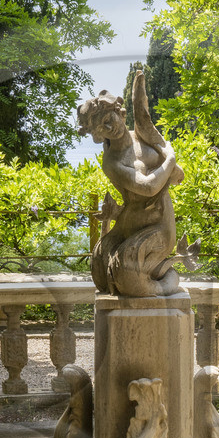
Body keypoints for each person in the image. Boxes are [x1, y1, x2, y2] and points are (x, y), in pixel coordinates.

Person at [76, 74, 184, 298]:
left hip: (159, 226)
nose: (109, 127)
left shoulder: (142, 135)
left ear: (118, 112)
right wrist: (170, 159)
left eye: (109, 119)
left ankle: (167, 282)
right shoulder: (112, 162)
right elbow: (148, 187)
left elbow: (176, 177)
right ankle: (164, 277)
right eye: (102, 128)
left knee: (126, 273)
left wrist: (170, 165)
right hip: (128, 226)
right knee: (101, 270)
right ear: (97, 134)